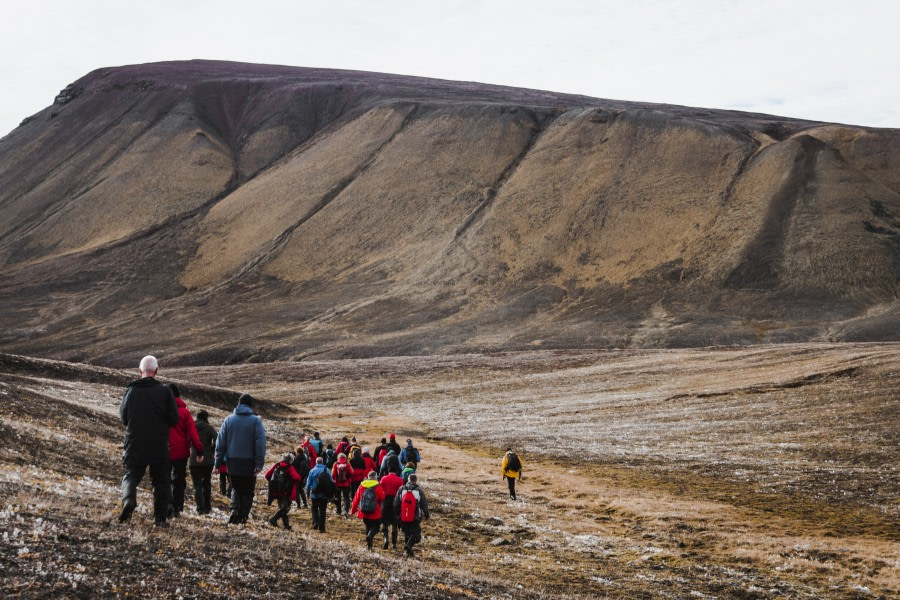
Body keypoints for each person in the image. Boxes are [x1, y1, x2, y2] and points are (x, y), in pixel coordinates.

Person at [118, 355, 179, 527]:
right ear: (157, 371)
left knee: (131, 474)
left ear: (140, 371)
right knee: (161, 481)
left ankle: (129, 500)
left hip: (135, 442)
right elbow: (174, 419)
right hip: (159, 444)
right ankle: (160, 519)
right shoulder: (165, 391)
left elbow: (124, 418)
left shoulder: (131, 391)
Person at [215, 393, 266, 524]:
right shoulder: (255, 421)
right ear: (250, 405)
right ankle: (243, 516)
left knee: (235, 487)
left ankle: (234, 510)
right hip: (249, 462)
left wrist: (218, 463)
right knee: (248, 491)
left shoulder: (228, 420)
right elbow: (260, 443)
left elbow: (220, 443)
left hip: (232, 461)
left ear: (238, 404)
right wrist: (259, 463)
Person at [167, 383, 203, 518]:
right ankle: (177, 507)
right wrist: (199, 451)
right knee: (178, 479)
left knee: (163, 478)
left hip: (163, 451)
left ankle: (166, 503)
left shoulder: (160, 410)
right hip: (180, 453)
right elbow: (193, 434)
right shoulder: (185, 413)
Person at [393, 473, 430, 558]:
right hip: (415, 517)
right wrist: (427, 515)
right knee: (416, 535)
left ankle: (408, 552)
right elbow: (424, 504)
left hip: (403, 517)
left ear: (408, 480)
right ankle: (409, 546)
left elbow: (395, 504)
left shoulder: (401, 489)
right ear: (415, 481)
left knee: (407, 534)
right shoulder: (419, 491)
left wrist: (398, 514)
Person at [189, 410, 217, 515]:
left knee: (197, 486)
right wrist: (212, 450)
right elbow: (217, 439)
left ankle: (200, 509)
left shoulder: (192, 427)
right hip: (208, 459)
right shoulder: (209, 428)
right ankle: (207, 508)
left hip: (193, 459)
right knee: (207, 484)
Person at [350, 471, 386, 550]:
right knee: (376, 528)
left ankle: (369, 546)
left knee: (368, 526)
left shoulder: (362, 485)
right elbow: (382, 498)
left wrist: (352, 511)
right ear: (375, 477)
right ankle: (370, 537)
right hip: (375, 512)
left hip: (364, 511)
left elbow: (356, 499)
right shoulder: (377, 486)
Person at [264, 453, 301, 529]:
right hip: (285, 491)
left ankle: (286, 525)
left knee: (283, 507)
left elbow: (267, 475)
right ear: (290, 460)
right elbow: (296, 478)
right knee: (286, 508)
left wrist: (274, 484)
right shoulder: (289, 467)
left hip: (276, 491)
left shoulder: (277, 465)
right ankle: (274, 519)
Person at [306, 457, 334, 532]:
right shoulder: (327, 470)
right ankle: (322, 528)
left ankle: (315, 522)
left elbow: (308, 483)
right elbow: (331, 481)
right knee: (322, 511)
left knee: (314, 509)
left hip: (314, 494)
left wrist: (307, 492)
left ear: (316, 462)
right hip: (324, 494)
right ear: (322, 462)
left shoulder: (312, 471)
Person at [378, 470, 404, 549]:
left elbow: (380, 489)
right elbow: (401, 493)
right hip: (395, 502)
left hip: (385, 502)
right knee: (394, 524)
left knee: (385, 523)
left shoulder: (383, 478)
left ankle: (386, 539)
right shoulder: (399, 480)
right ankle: (394, 543)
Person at [331, 452, 353, 516]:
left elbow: (332, 474)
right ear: (345, 457)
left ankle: (338, 511)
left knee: (338, 497)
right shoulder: (347, 464)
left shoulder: (335, 464)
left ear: (338, 457)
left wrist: (334, 480)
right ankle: (346, 510)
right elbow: (352, 472)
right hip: (346, 483)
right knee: (346, 497)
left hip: (337, 484)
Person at [293, 444, 311, 509]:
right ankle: (305, 503)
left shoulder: (297, 459)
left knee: (297, 491)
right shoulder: (305, 458)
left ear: (297, 452)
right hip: (303, 477)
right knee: (301, 490)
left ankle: (298, 505)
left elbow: (292, 466)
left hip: (298, 477)